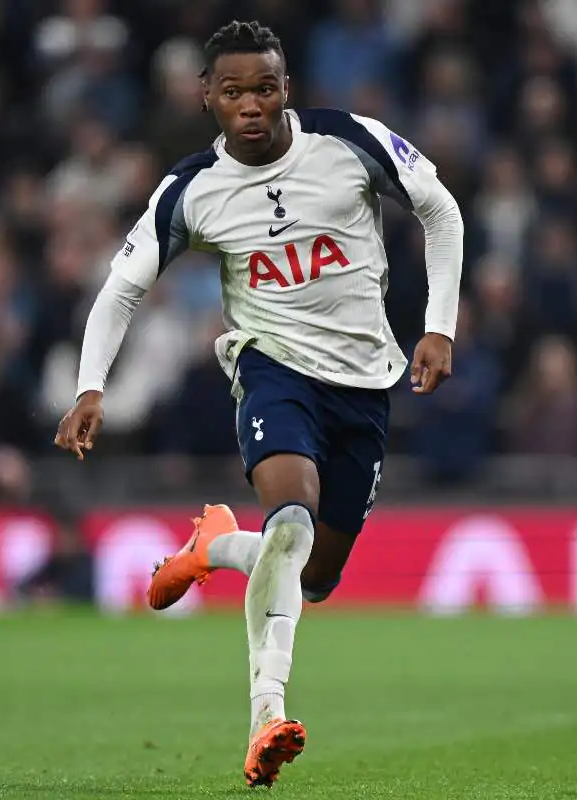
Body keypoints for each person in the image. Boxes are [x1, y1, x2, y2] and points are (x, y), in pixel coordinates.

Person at [52, 20, 463, 787]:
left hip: (366, 383)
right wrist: (90, 386)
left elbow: (441, 211)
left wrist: (438, 328)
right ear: (207, 96)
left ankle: (213, 547)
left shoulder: (349, 143)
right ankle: (266, 715)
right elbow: (121, 289)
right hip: (272, 368)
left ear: (286, 90)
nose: (251, 105)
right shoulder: (191, 190)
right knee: (292, 522)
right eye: (233, 91)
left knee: (312, 576)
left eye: (265, 89)